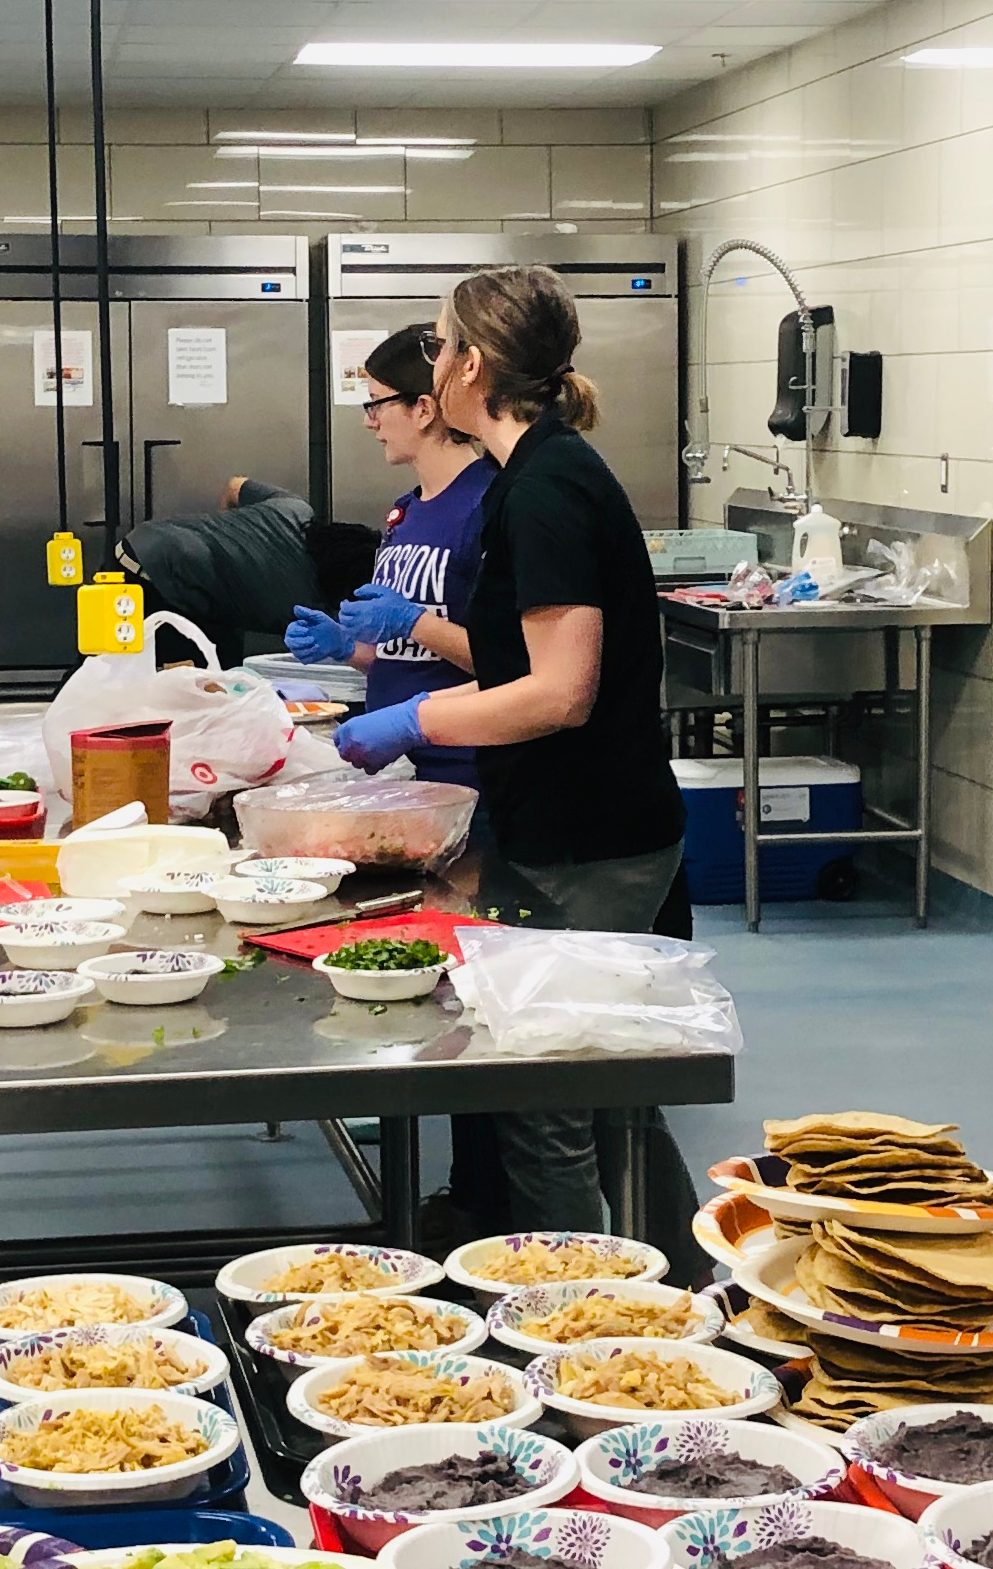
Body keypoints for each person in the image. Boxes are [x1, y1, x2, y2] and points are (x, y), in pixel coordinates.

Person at [334, 264, 693, 1238]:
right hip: (571, 823)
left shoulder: (545, 487)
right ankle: (675, 1286)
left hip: (595, 838)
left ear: (473, 366)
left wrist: (416, 724)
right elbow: (511, 649)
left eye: (443, 346)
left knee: (548, 1102)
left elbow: (558, 692)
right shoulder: (531, 478)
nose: (435, 362)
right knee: (606, 1089)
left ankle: (588, 1328)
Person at [289, 322, 491, 790]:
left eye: (376, 403)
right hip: (402, 771)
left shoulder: (488, 508)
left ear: (422, 409)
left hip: (467, 776)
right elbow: (411, 661)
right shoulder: (407, 512)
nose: (369, 421)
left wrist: (412, 621)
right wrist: (346, 649)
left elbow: (512, 668)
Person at [117, 474, 322, 667]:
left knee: (222, 663)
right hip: (161, 574)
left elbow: (235, 485)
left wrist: (225, 539)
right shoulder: (302, 600)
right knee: (189, 678)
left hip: (148, 541)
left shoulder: (296, 508)